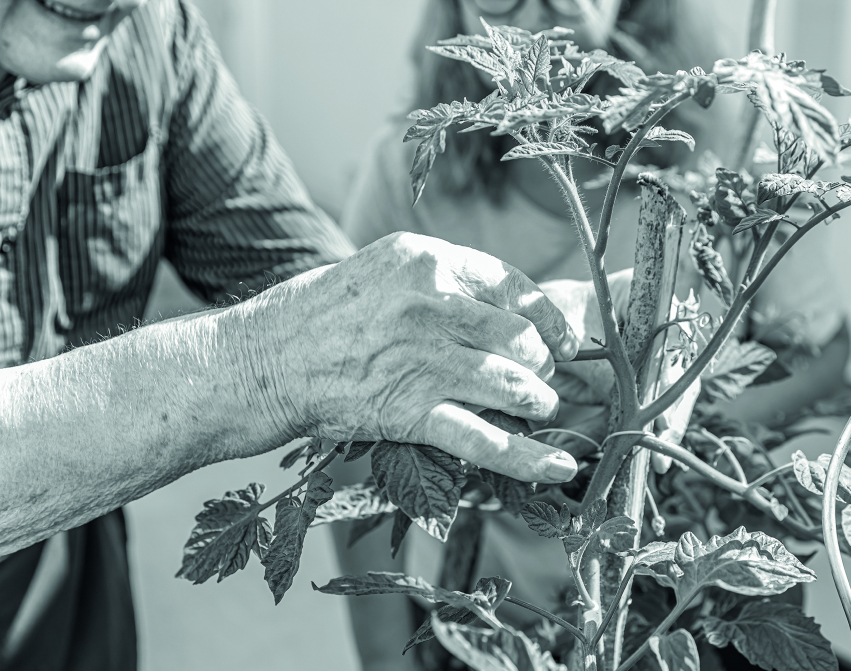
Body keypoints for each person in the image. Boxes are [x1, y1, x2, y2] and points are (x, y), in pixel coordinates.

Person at [0, 0, 627, 667]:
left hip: (64, 580)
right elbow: (305, 340)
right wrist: (263, 363)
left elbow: (343, 301)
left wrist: (546, 337)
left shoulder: (150, 33)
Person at [331, 0, 851, 669]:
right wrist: (383, 658)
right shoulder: (408, 171)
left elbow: (822, 347)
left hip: (673, 589)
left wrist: (683, 432)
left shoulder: (729, 145)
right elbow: (351, 428)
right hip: (487, 612)